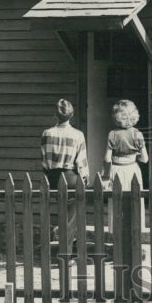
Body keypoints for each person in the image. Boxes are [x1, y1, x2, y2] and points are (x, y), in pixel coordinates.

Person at [41, 99, 89, 249]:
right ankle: (66, 255)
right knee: (70, 218)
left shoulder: (47, 133)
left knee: (62, 215)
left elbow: (44, 160)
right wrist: (84, 177)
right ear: (72, 115)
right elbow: (81, 161)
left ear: (55, 114)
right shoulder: (78, 135)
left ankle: (65, 250)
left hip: (54, 178)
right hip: (71, 177)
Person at [103, 99, 148, 190]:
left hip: (116, 170)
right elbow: (145, 159)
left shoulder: (112, 134)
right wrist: (136, 156)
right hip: (132, 170)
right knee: (134, 200)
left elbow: (107, 159)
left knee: (117, 201)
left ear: (117, 116)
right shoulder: (138, 134)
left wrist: (105, 177)